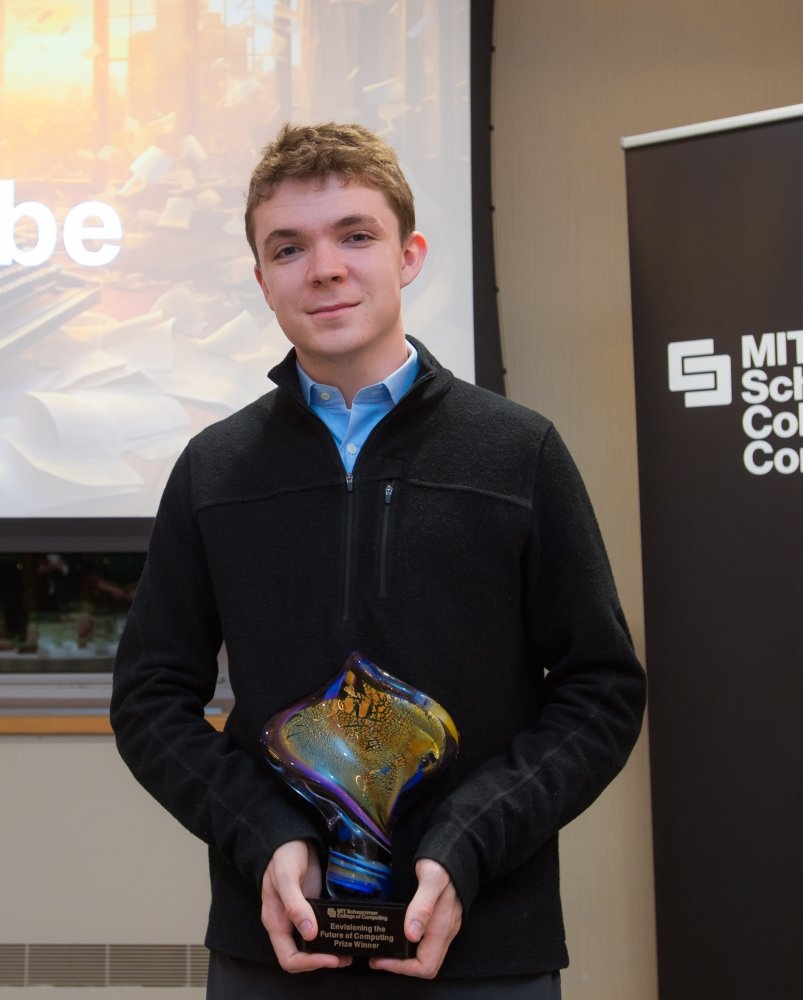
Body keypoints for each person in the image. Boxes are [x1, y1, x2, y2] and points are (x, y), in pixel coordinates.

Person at [110, 122, 646, 998]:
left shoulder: (518, 453)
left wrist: (470, 841)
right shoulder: (214, 469)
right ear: (261, 279)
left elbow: (601, 690)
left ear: (409, 256)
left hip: (486, 948)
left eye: (355, 235)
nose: (323, 267)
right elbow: (147, 700)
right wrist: (264, 834)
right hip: (277, 946)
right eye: (289, 247)